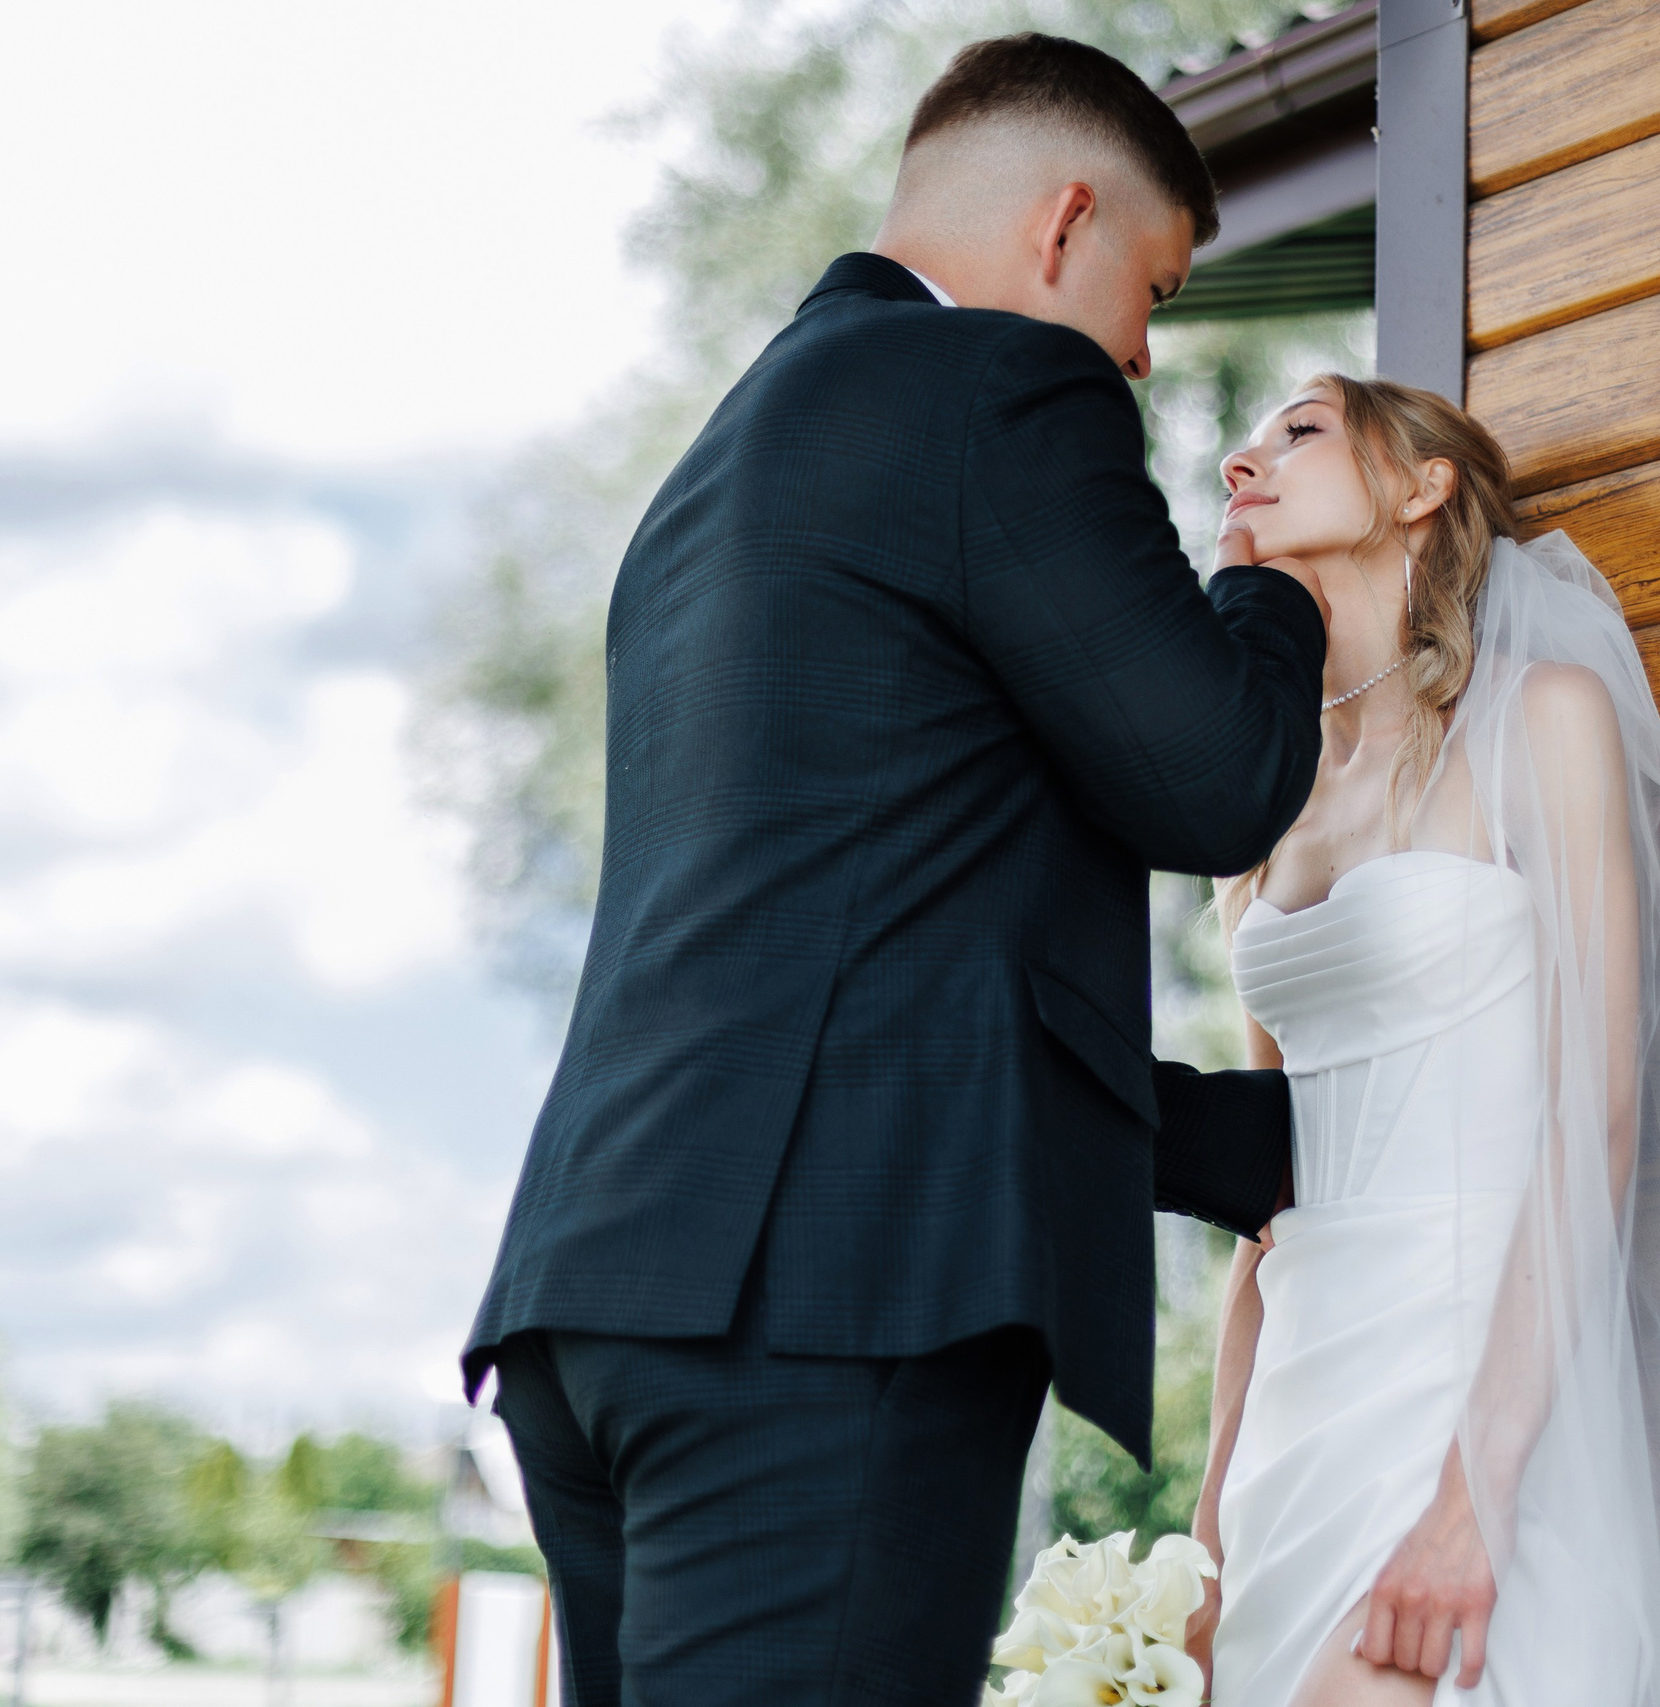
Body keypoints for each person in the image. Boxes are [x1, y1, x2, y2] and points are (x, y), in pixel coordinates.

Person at [463, 35, 1333, 1707]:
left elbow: (857, 961)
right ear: (1064, 224)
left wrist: (1250, 1142)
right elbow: (1216, 775)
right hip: (817, 1320)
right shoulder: (994, 389)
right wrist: (1272, 593)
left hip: (604, 1295)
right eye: (1151, 292)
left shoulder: (721, 467)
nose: (1147, 358)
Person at [1186, 377, 1660, 1707]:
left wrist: (1475, 1487)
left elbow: (1603, 1114)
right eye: (1246, 442)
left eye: (1299, 432)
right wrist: (1207, 1535)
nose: (1246, 459)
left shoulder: (1541, 717)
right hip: (1301, 1398)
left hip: (1476, 1367)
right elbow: (1265, 1203)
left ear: (1422, 486)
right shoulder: (1261, 805)